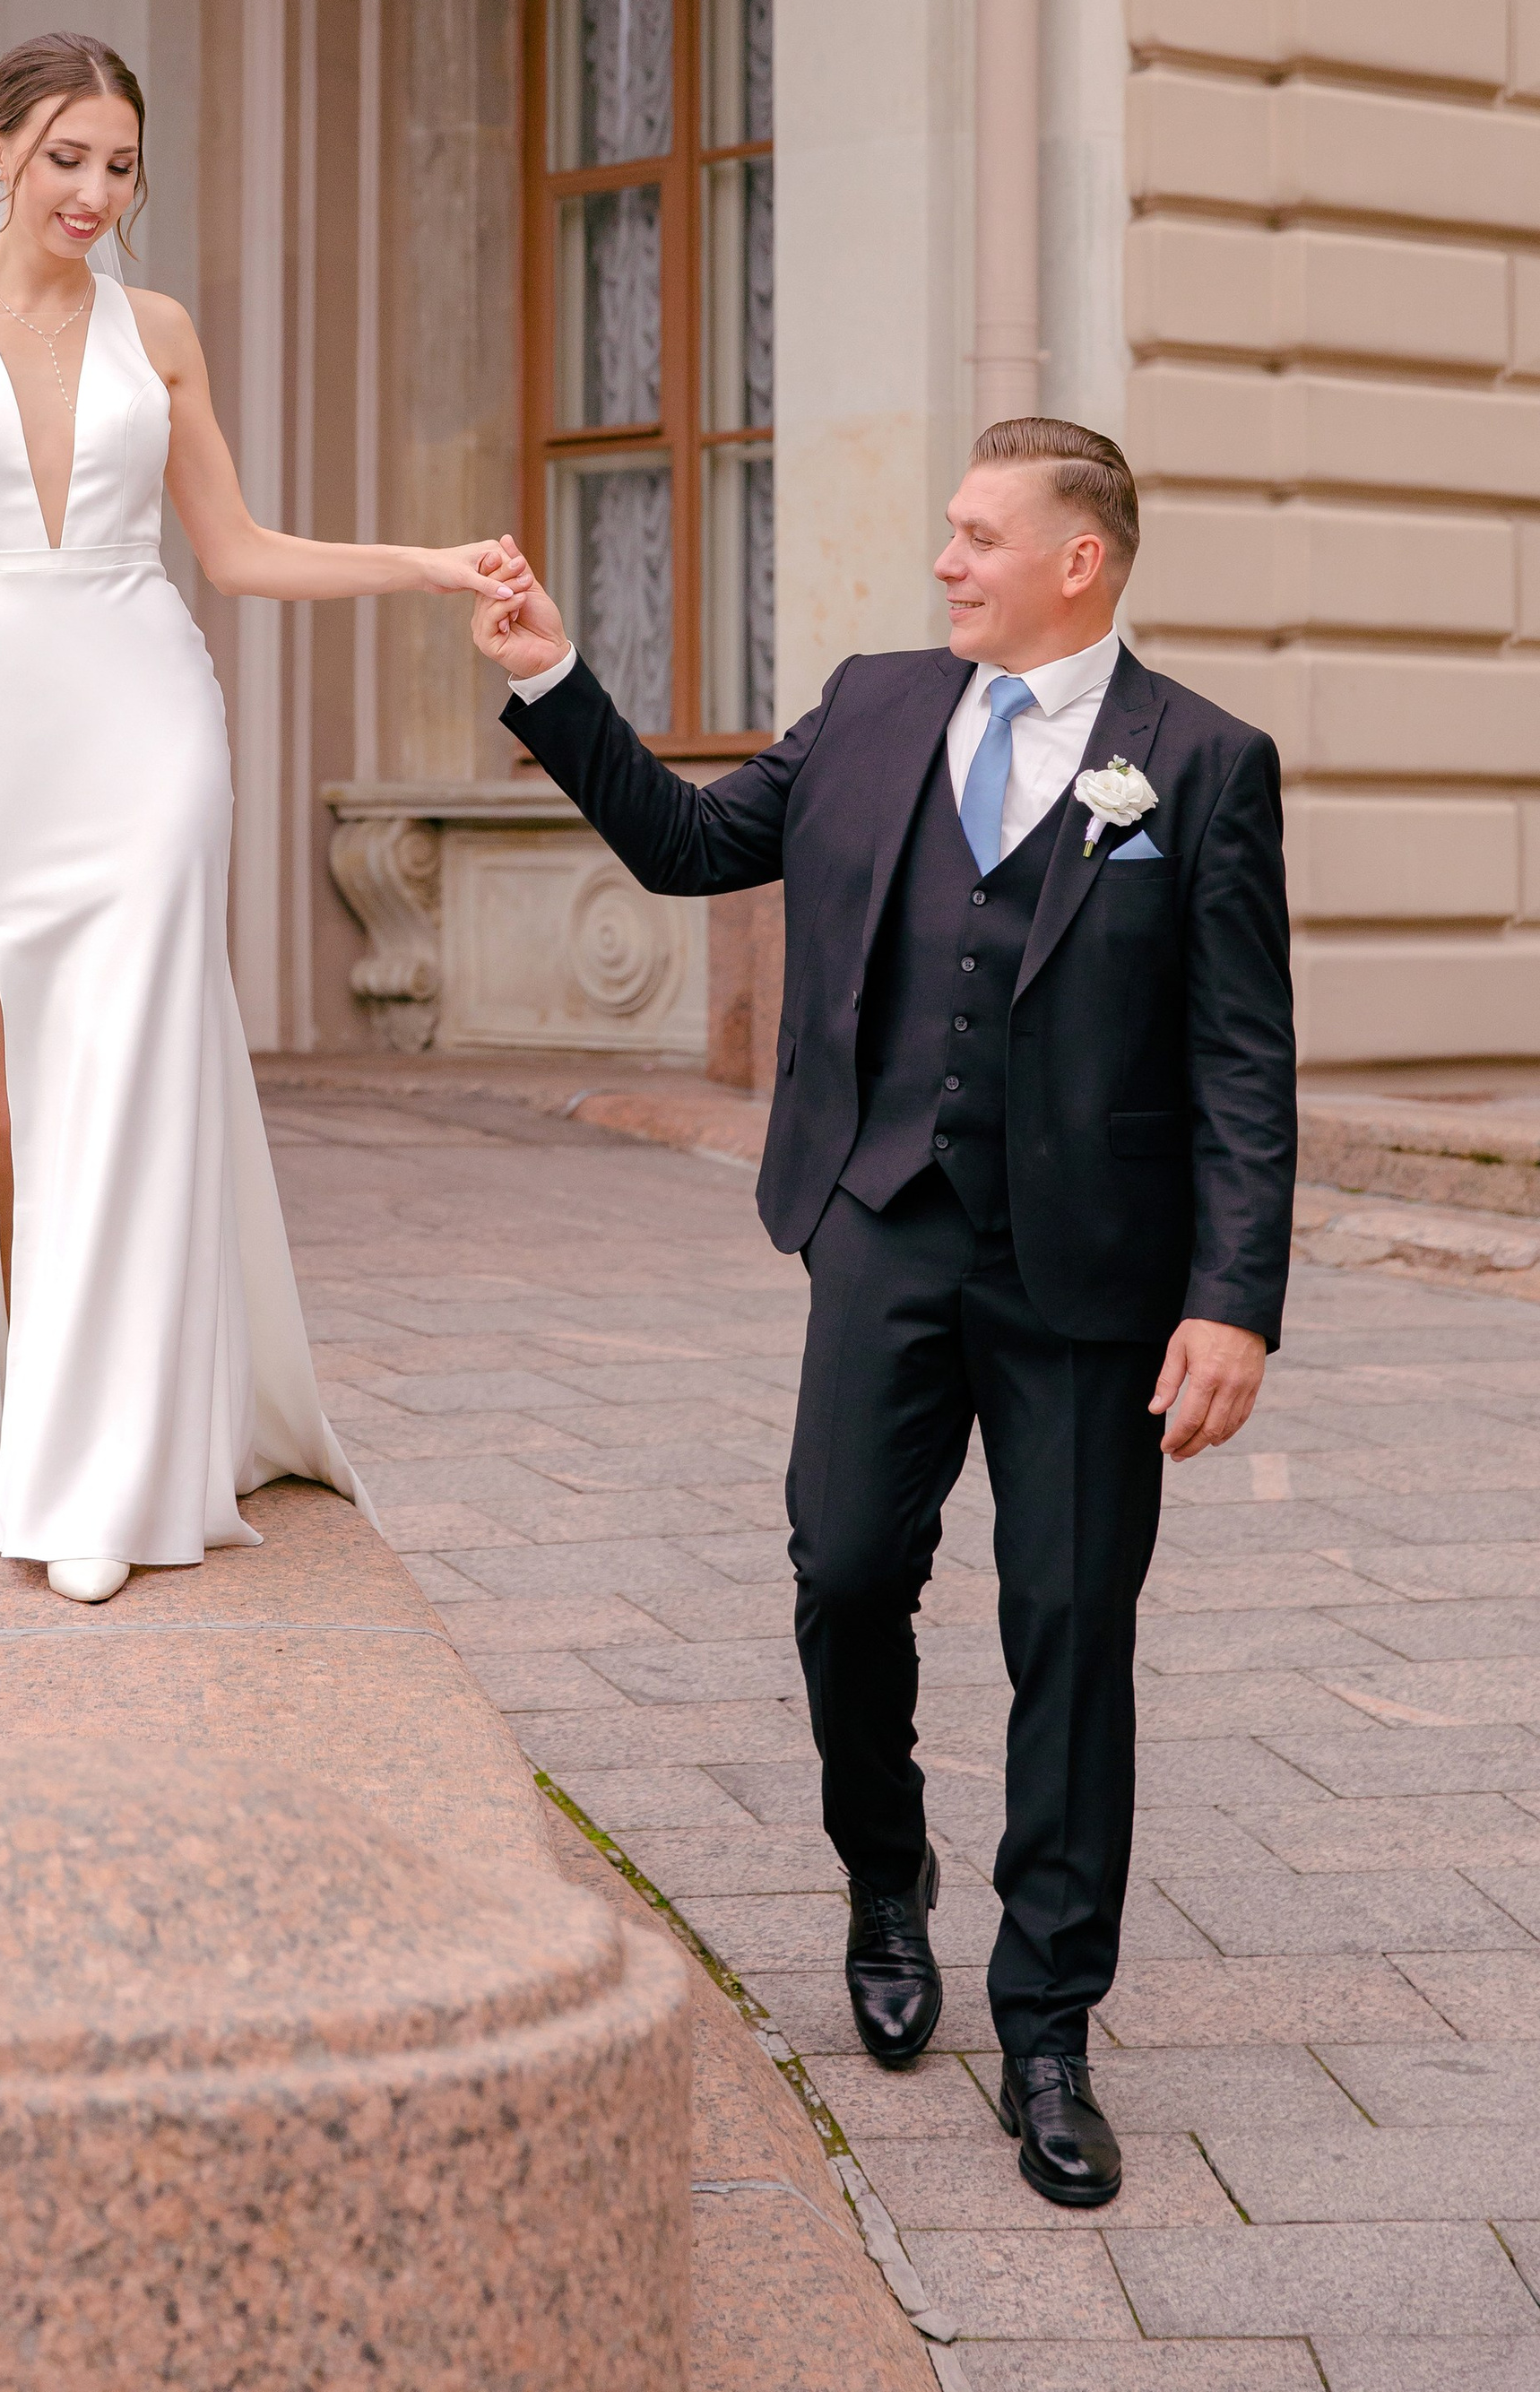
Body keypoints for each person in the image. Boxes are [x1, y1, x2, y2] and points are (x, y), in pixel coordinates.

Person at [472, 421, 1293, 2210]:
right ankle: (879, 1875)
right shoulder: (863, 710)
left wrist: (1231, 1303)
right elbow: (689, 846)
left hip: (1092, 1278)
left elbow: (1240, 1056)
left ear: (1078, 561)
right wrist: (549, 674)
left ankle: (1050, 2028)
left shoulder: (1202, 766)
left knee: (1070, 1629)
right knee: (842, 1567)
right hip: (884, 1227)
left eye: (979, 536)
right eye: (947, 532)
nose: (946, 561)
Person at [0, 31, 514, 1608]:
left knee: (127, 1058)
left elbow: (235, 550)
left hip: (143, 710)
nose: (95, 194)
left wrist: (429, 566)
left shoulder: (159, 330)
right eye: (66, 159)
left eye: (119, 166)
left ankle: (105, 1472)